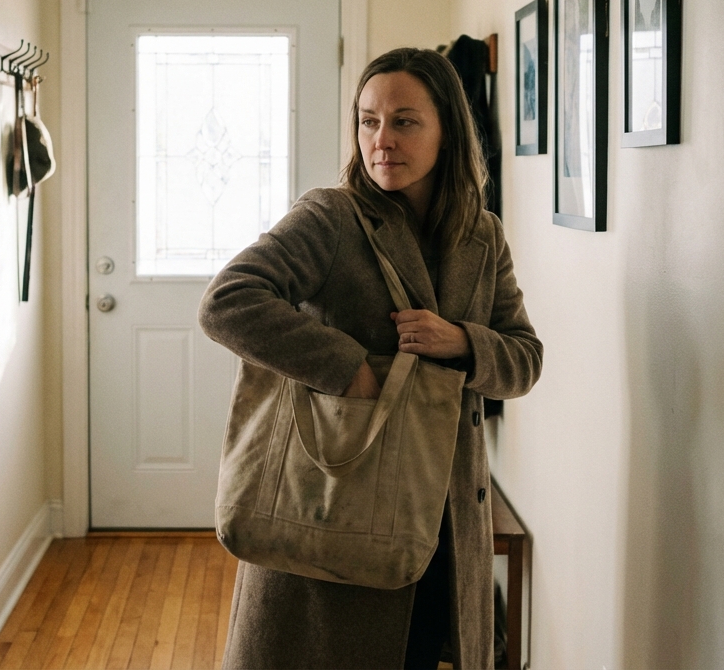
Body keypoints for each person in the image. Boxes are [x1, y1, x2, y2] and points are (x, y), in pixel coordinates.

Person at [198, 47, 544, 669]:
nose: (381, 140)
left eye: (404, 121)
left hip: (442, 524)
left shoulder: (482, 235)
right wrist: (348, 367)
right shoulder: (331, 217)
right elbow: (227, 300)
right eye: (367, 120)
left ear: (447, 131)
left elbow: (524, 358)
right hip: (336, 513)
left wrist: (463, 342)